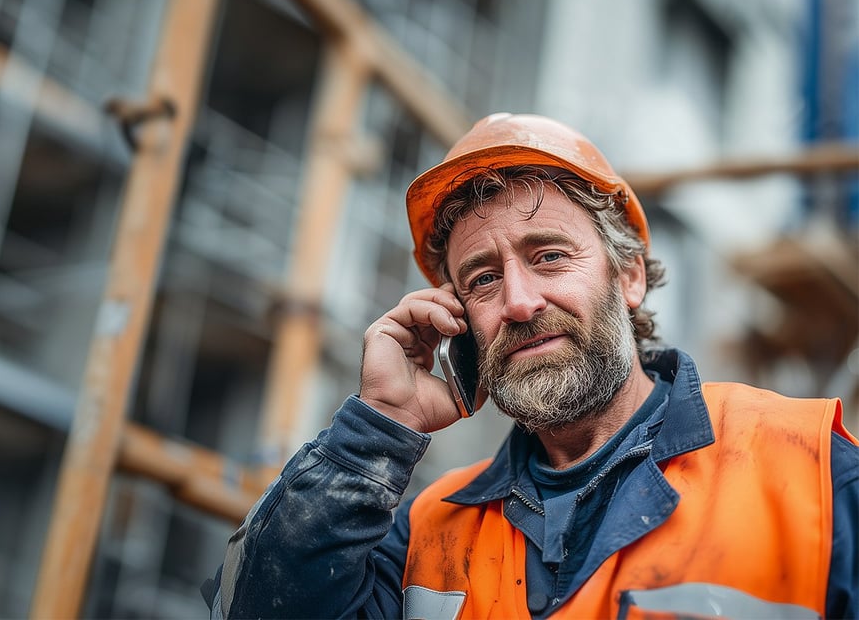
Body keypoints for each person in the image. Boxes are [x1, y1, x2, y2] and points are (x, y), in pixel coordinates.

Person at [202, 113, 858, 619]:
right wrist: (378, 428)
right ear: (457, 321)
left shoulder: (813, 469)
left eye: (548, 257)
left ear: (629, 277)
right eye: (482, 279)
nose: (517, 302)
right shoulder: (426, 529)